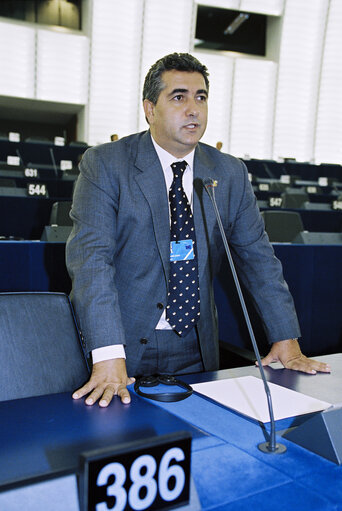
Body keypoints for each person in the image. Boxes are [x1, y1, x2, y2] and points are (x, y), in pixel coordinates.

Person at [66, 53, 330, 408]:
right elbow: (91, 263)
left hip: (196, 349)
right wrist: (108, 354)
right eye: (179, 97)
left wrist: (286, 337)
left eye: (201, 97)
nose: (193, 109)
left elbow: (259, 260)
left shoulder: (229, 172)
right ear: (149, 108)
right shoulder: (106, 164)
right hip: (119, 348)